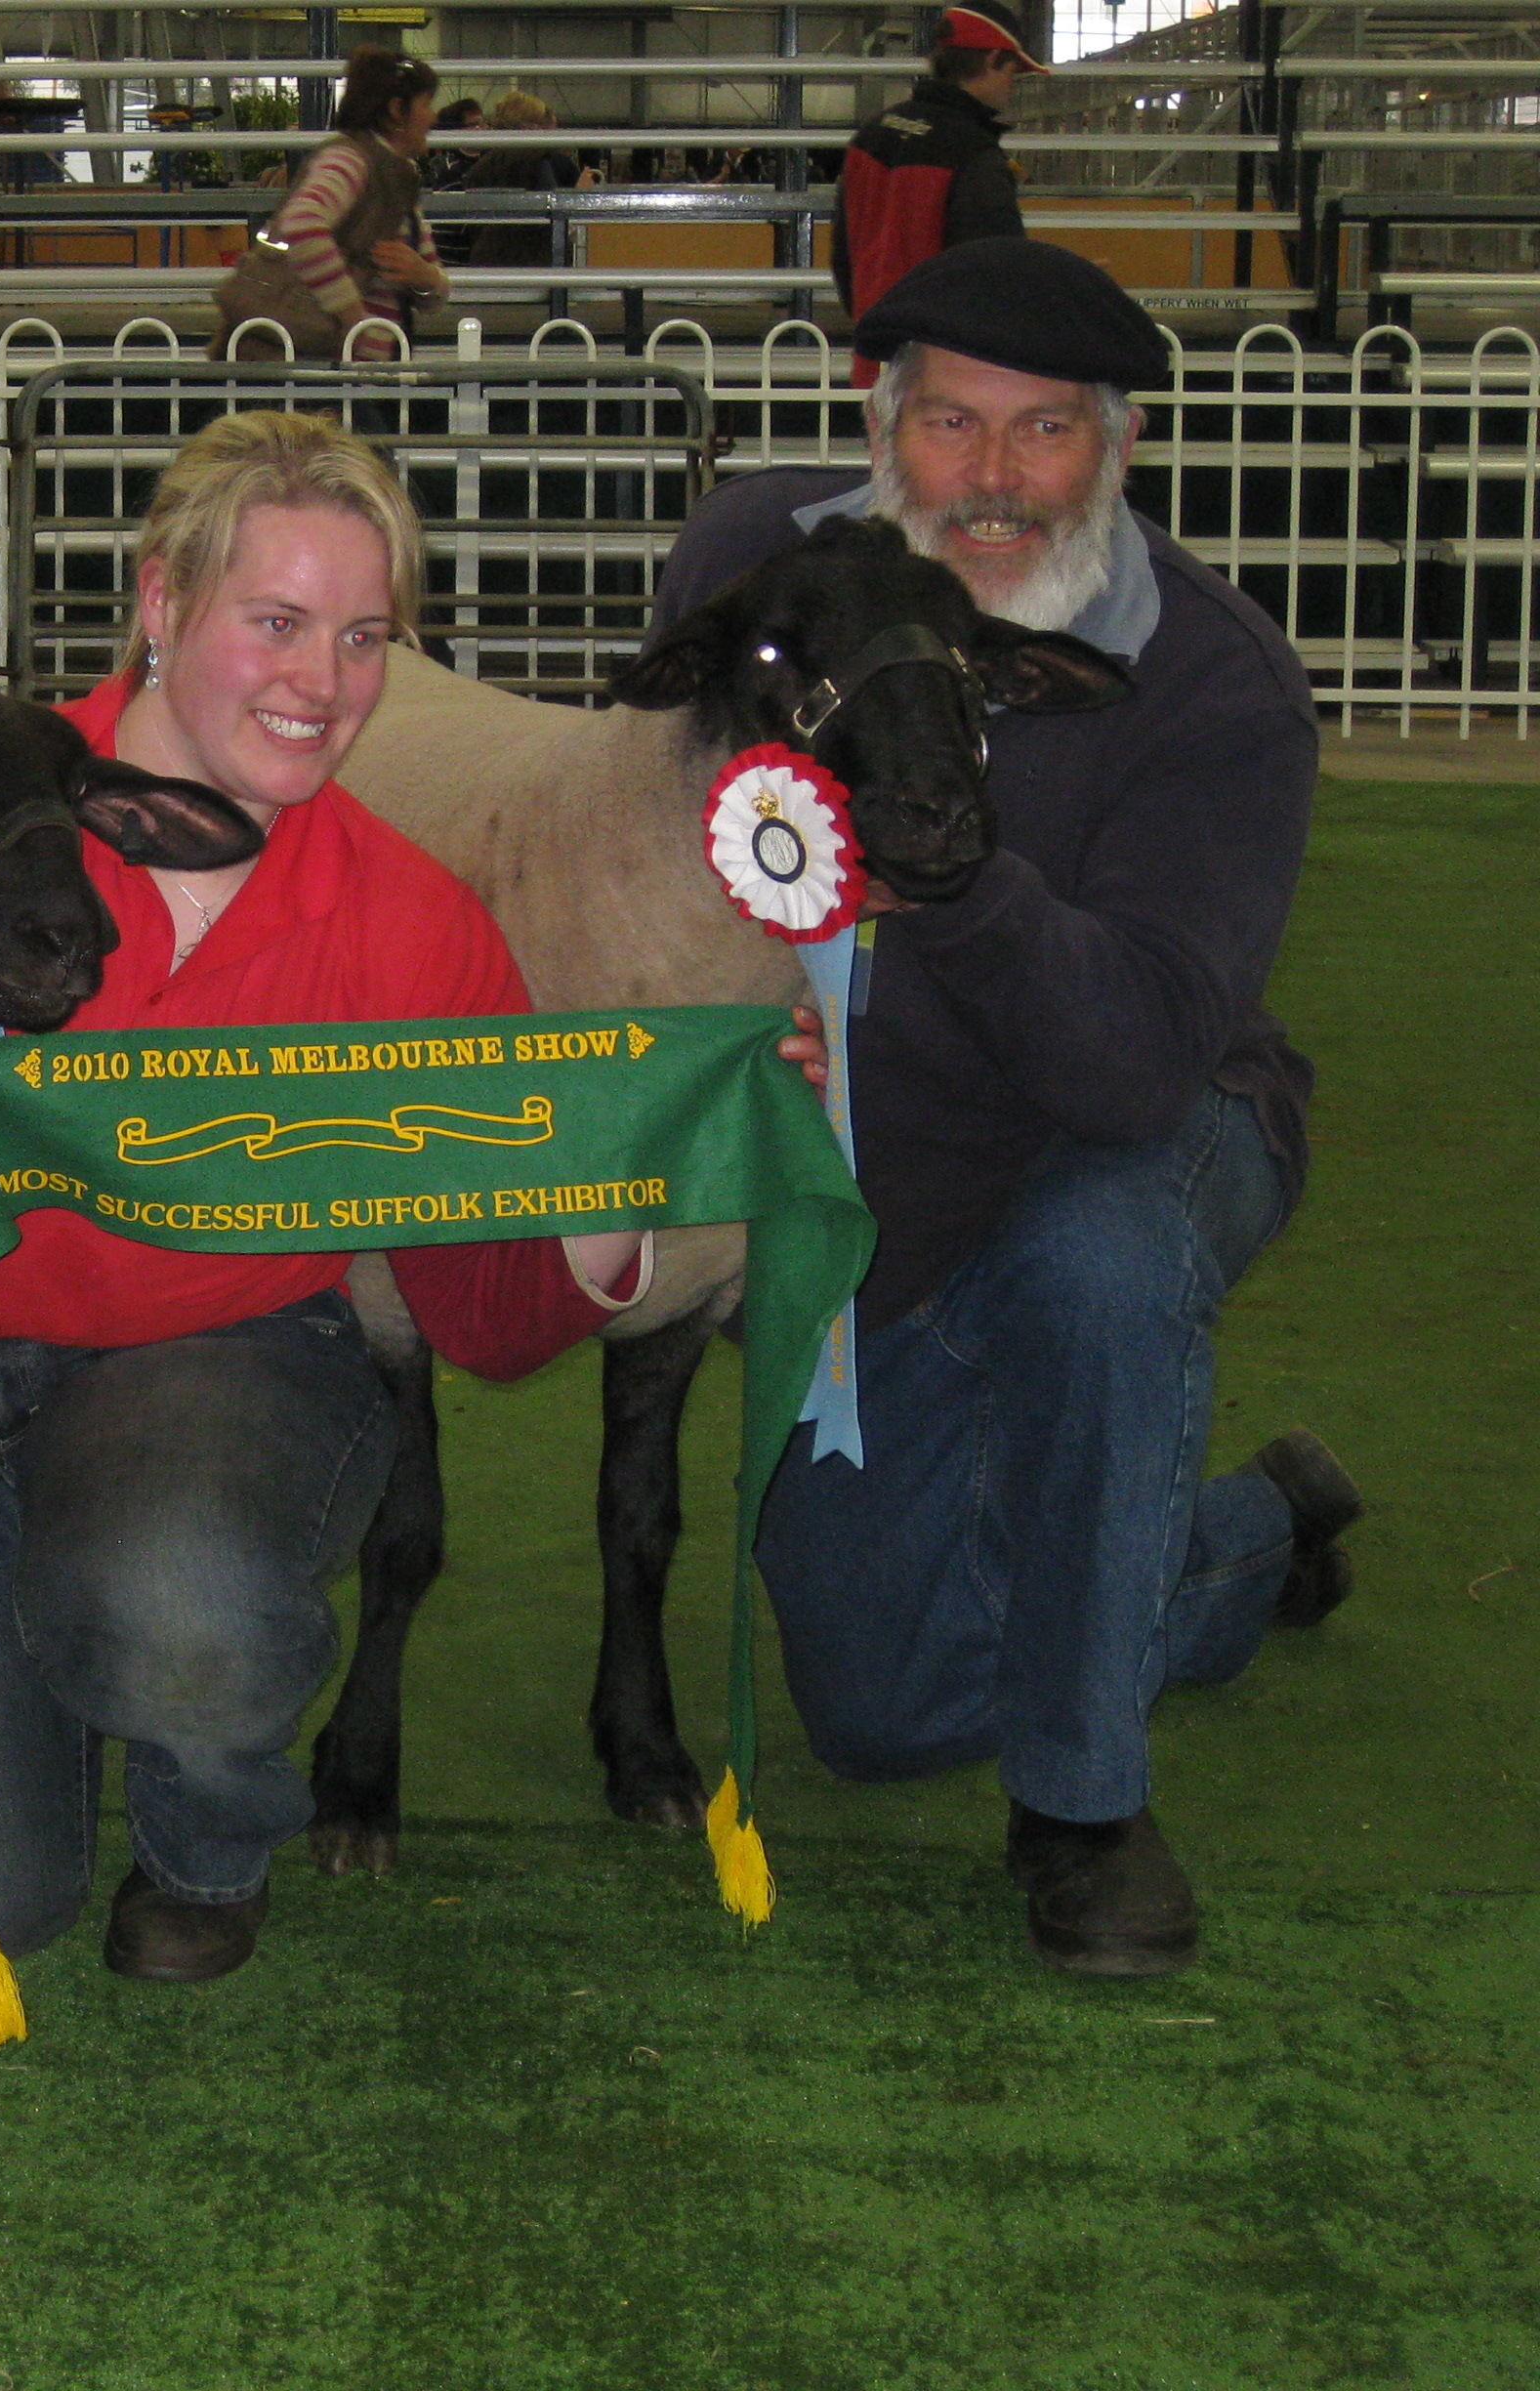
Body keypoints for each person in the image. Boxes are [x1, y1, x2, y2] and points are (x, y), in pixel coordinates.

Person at [0, 412, 656, 1986]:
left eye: (366, 637)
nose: (321, 684)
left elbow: (484, 1311)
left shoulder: (412, 928)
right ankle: (25, 1644)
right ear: (160, 606)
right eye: (276, 622)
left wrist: (631, 1170)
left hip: (219, 1362)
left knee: (178, 1595)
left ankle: (203, 1823)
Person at [648, 237, 1359, 1978]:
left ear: (1112, 443)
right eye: (950, 422)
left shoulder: (1210, 682)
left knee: (1094, 1261)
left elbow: (1123, 1060)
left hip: (1137, 1118)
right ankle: (1248, 1529)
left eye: (1041, 433)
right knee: (879, 1706)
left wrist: (952, 878)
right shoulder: (757, 558)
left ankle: (1080, 1811)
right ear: (874, 419)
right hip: (877, 1190)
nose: (989, 480)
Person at [836, 7, 1042, 383]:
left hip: (879, 357)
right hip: (951, 368)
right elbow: (993, 270)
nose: (1014, 87)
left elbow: (843, 257)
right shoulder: (973, 152)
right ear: (993, 59)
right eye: (1014, 72)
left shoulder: (872, 134)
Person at [224, 47, 450, 357]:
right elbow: (303, 222)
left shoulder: (397, 174)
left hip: (359, 371)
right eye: (426, 104)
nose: (433, 116)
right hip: (328, 371)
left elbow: (433, 293)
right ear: (397, 109)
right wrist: (353, 317)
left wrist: (424, 276)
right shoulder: (351, 161)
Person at [431, 89, 599, 273]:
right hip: (533, 267)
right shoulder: (541, 163)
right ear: (531, 127)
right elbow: (550, 228)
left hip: (484, 267)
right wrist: (581, 194)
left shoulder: (480, 168)